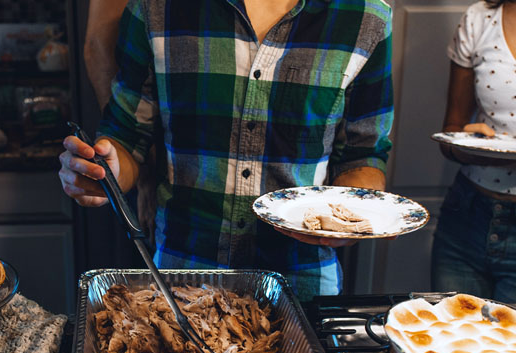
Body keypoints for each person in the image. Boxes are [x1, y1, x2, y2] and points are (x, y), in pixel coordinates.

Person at [60, 0, 394, 301]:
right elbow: (127, 137)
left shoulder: (365, 18)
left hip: (302, 282)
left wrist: (358, 213)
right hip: (184, 279)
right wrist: (107, 172)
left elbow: (362, 156)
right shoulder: (156, 9)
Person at [431, 0, 516, 302]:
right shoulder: (480, 18)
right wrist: (467, 144)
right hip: (466, 218)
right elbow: (452, 131)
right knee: (450, 342)